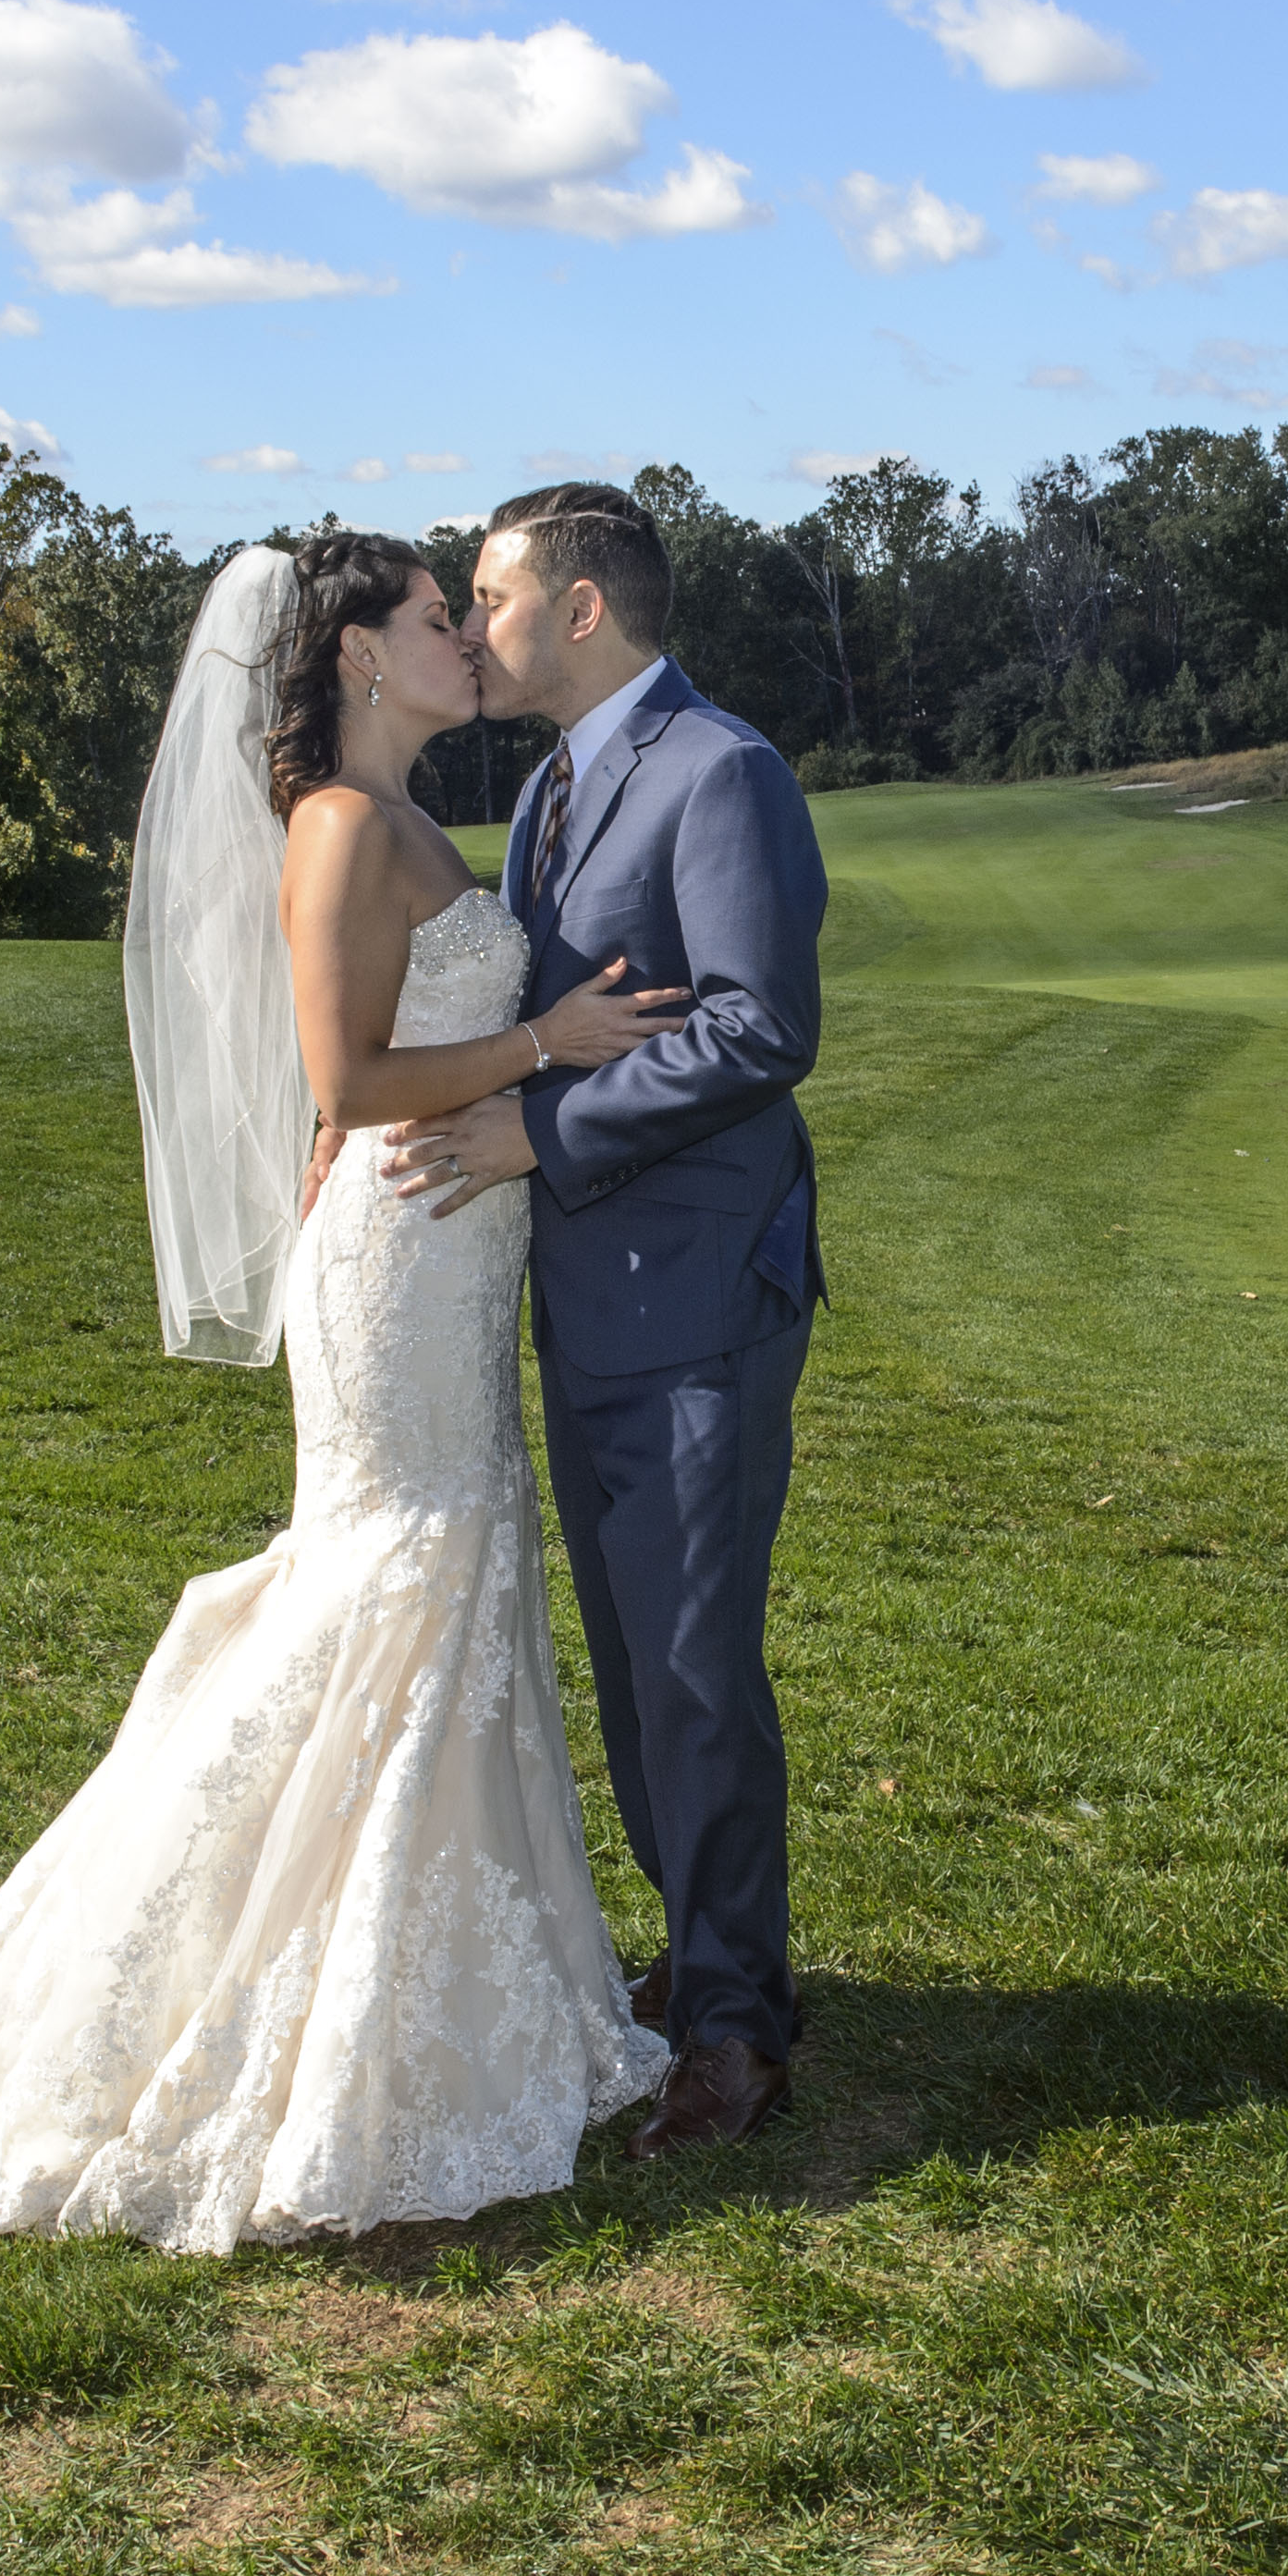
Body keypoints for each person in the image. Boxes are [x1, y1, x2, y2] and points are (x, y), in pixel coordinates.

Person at [0, 532, 692, 2251]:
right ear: (355, 654)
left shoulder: (410, 819)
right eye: (439, 621)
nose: (468, 642)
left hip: (443, 1250)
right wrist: (545, 1043)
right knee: (399, 1577)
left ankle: (437, 1964)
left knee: (443, 1571)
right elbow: (346, 1073)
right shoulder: (349, 827)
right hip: (404, 1254)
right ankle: (252, 1973)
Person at [380, 481, 829, 2163]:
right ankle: (721, 1973)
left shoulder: (723, 775)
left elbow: (759, 1029)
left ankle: (732, 2031)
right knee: (646, 1669)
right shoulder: (560, 785)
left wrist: (536, 1136)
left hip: (699, 1295)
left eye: (489, 596)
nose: (473, 626)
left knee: (694, 1666)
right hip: (593, 1298)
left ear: (581, 610)